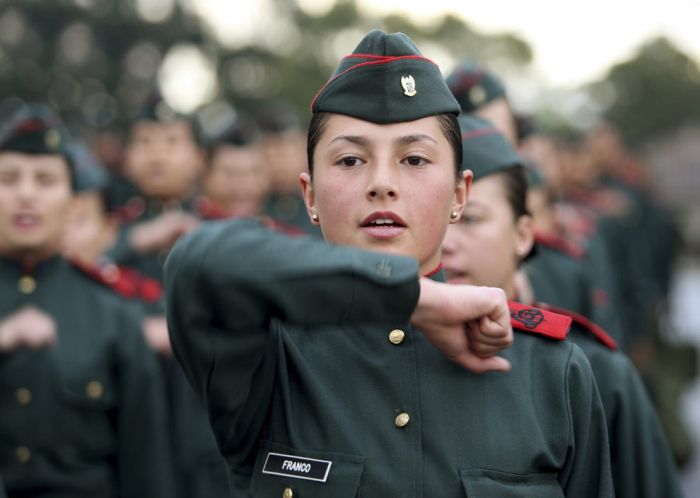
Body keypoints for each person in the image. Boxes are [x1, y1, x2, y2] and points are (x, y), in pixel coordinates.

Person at [166, 30, 613, 497]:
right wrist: (408, 296)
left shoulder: (551, 372)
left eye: (415, 159)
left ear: (459, 195)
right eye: (350, 160)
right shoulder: (270, 358)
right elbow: (198, 266)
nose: (382, 183)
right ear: (310, 196)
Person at [441, 114, 683, 498]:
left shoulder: (589, 372)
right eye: (434, 219)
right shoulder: (369, 357)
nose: (446, 241)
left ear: (523, 235)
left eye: (469, 219)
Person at [0, 105, 175, 496]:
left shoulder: (113, 313)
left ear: (73, 202)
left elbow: (147, 469)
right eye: (8, 179)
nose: (26, 194)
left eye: (45, 181)